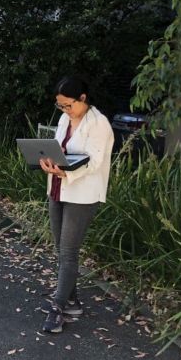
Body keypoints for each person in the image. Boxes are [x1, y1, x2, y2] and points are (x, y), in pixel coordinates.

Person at [37, 76, 114, 334]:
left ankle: (58, 307)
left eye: (68, 105)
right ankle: (72, 301)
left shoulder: (99, 124)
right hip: (58, 188)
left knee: (69, 251)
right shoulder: (63, 120)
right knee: (61, 249)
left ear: (82, 98)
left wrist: (66, 173)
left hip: (82, 193)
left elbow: (93, 162)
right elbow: (59, 150)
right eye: (60, 106)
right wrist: (48, 162)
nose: (64, 110)